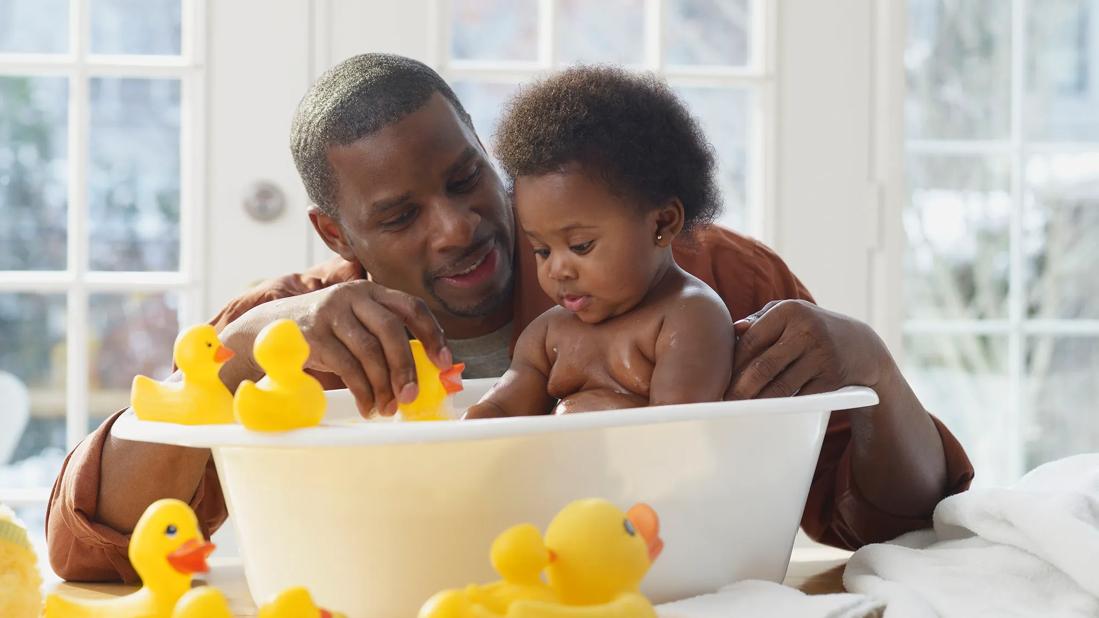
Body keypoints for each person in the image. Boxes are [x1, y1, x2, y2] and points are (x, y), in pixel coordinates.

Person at [46, 54, 973, 583]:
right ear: (336, 232)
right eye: (400, 216)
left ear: (490, 153)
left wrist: (872, 368)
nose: (458, 228)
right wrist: (238, 356)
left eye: (463, 179)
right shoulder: (293, 334)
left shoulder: (706, 276)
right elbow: (93, 547)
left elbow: (899, 522)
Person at [466, 66, 734, 418]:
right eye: (542, 250)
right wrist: (470, 426)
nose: (557, 269)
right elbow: (503, 408)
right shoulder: (548, 335)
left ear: (663, 223)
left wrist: (580, 414)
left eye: (580, 246)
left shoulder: (689, 317)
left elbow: (676, 429)